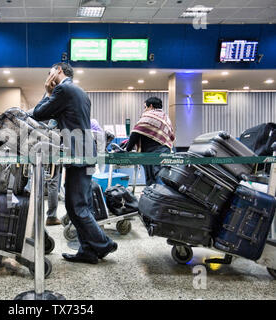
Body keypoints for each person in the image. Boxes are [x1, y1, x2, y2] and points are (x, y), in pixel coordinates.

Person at [32, 62, 117, 264]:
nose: (48, 75)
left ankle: (105, 244)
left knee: (76, 206)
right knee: (81, 205)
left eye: (50, 71)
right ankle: (87, 250)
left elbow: (38, 113)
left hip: (79, 153)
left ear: (59, 71)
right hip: (85, 151)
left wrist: (47, 91)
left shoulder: (63, 89)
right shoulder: (79, 91)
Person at [122, 96, 175, 186]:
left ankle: (156, 197)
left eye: (145, 107)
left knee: (154, 178)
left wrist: (127, 150)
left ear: (150, 106)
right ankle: (158, 197)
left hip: (153, 152)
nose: (144, 110)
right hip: (163, 151)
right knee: (159, 176)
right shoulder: (165, 117)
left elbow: (136, 133)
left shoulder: (150, 115)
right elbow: (170, 136)